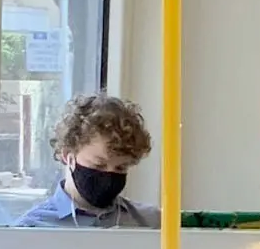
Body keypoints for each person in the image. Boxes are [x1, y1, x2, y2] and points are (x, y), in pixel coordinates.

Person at [15, 92, 160, 228]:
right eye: (99, 165)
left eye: (120, 168)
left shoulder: (151, 224)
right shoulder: (32, 227)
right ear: (68, 155)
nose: (109, 177)